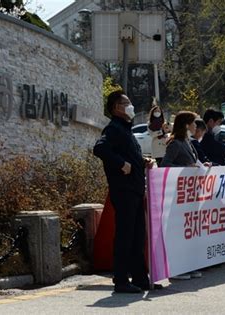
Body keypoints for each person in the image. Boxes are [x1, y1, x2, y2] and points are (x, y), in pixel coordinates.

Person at [93, 90, 160, 293]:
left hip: (136, 190)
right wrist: (121, 163)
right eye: (126, 102)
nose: (130, 105)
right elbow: (100, 149)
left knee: (137, 236)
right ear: (116, 108)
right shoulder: (113, 128)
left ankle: (140, 278)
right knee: (125, 236)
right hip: (124, 191)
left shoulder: (126, 129)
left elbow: (129, 155)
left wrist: (142, 161)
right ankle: (121, 280)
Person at [160, 111, 209, 279]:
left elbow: (193, 161)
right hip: (178, 194)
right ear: (187, 125)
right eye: (194, 123)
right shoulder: (175, 143)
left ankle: (186, 265)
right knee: (178, 231)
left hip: (191, 194)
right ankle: (174, 269)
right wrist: (185, 170)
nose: (196, 126)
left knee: (187, 231)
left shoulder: (188, 141)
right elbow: (165, 165)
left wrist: (202, 165)